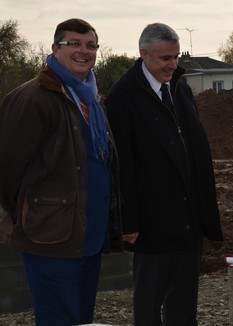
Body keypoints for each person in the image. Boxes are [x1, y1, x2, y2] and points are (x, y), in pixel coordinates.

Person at [0, 18, 123, 325]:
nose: (84, 51)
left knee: (81, 320)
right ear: (54, 49)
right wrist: (9, 215)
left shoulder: (91, 99)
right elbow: (6, 166)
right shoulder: (31, 99)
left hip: (87, 237)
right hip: (50, 238)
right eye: (74, 44)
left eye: (91, 45)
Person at [105, 23, 223, 326]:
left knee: (184, 303)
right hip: (151, 221)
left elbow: (194, 150)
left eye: (176, 56)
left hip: (187, 217)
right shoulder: (123, 97)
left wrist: (204, 213)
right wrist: (127, 220)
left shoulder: (180, 88)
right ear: (144, 55)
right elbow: (122, 163)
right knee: (149, 302)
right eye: (165, 59)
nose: (173, 65)